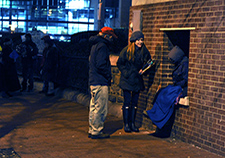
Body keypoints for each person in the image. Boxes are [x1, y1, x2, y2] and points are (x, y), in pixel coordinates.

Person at [144, 45, 189, 138]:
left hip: (181, 87)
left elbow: (185, 80)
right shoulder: (180, 63)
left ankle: (160, 121)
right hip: (177, 86)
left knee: (166, 97)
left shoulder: (184, 64)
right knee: (161, 93)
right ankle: (155, 115)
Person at [117, 31, 151, 133]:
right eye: (138, 40)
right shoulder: (126, 50)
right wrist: (126, 72)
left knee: (135, 103)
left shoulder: (144, 51)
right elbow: (120, 63)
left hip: (137, 80)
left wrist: (144, 70)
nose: (140, 42)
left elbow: (149, 62)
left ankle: (133, 124)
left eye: (141, 40)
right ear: (134, 41)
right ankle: (126, 124)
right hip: (127, 80)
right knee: (127, 102)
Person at [88, 26, 117, 139]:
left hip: (93, 79)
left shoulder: (95, 45)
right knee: (101, 107)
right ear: (106, 36)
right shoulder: (102, 46)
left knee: (94, 106)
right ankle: (97, 131)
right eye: (110, 37)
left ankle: (92, 129)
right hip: (100, 80)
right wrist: (108, 76)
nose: (112, 39)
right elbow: (101, 64)